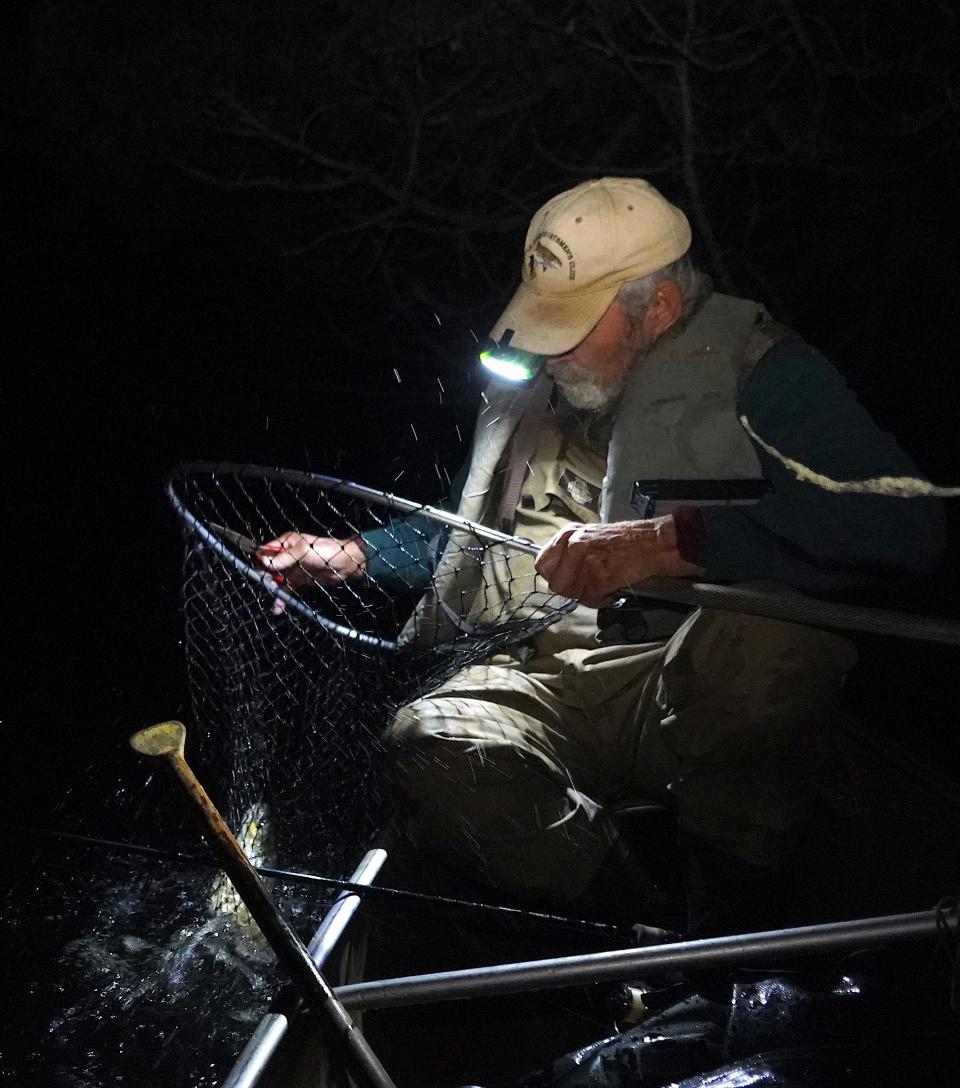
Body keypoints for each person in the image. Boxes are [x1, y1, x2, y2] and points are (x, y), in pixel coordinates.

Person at [258, 178, 945, 934]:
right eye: (542, 321)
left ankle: (737, 913)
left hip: (682, 679)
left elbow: (907, 525)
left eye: (575, 325)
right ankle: (641, 925)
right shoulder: (534, 385)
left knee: (775, 642)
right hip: (539, 675)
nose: (548, 352)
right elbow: (463, 536)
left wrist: (670, 543)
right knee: (430, 746)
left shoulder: (762, 375)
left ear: (658, 310)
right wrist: (354, 556)